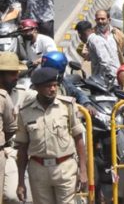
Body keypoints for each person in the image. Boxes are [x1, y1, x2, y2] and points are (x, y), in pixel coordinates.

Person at [16, 67, 88, 204]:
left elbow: (79, 138)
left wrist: (83, 171)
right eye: (48, 86)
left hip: (65, 168)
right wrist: (20, 182)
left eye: (55, 85)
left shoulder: (67, 105)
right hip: (38, 170)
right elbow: (22, 149)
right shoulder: (25, 112)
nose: (53, 89)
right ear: (36, 88)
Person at [0, 53, 17, 203]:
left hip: (7, 150)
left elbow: (11, 128)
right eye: (12, 73)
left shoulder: (4, 97)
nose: (16, 76)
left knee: (11, 196)